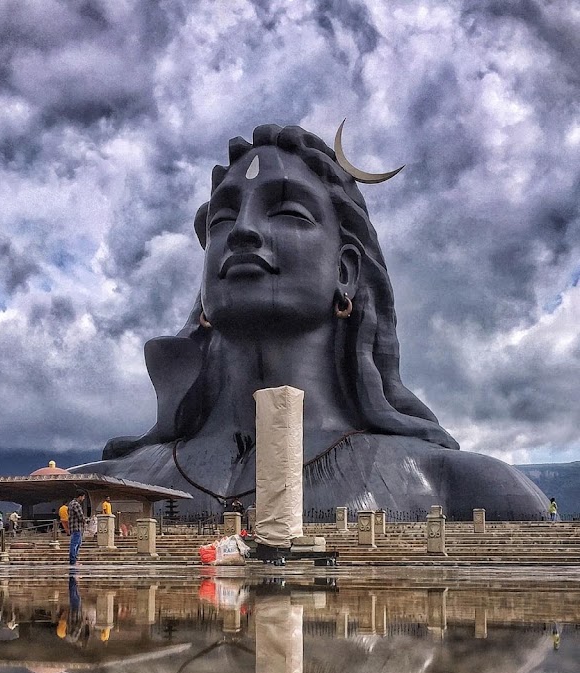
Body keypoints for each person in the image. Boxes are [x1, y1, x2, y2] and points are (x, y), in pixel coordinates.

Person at [70, 124, 547, 521]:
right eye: (222, 220)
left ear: (345, 272)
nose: (242, 232)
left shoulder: (459, 486)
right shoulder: (105, 487)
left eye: (287, 211)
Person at [67, 492, 87, 566]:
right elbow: (80, 516)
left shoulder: (70, 503)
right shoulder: (76, 504)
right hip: (77, 527)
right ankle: (73, 560)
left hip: (73, 527)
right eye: (83, 497)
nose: (83, 499)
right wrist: (85, 521)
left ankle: (74, 560)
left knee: (76, 544)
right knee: (75, 544)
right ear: (80, 496)